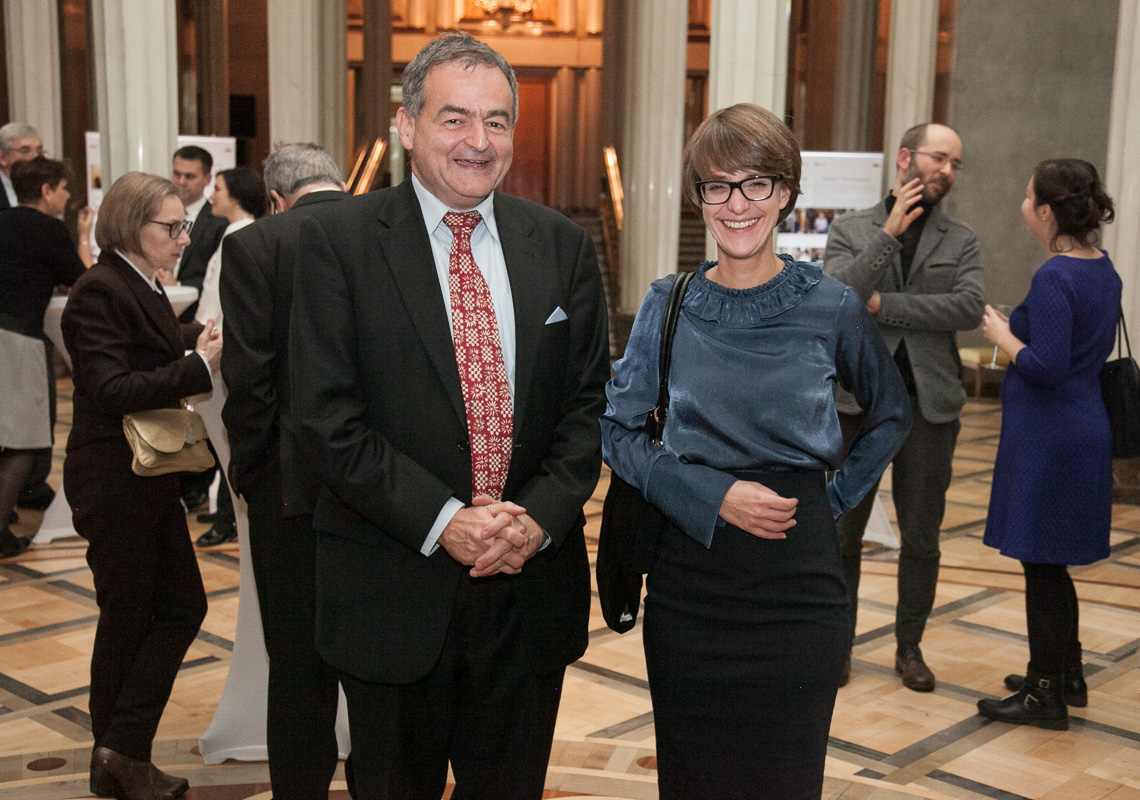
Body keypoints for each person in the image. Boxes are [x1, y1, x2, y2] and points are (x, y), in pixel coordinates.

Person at [290, 32, 609, 799]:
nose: (479, 141)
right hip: (393, 592)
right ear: (407, 126)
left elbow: (587, 408)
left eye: (497, 121)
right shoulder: (336, 243)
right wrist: (445, 520)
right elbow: (326, 419)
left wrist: (536, 522)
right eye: (455, 118)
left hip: (528, 595)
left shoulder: (561, 245)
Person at [602, 103, 911, 799]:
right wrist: (710, 494)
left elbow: (892, 413)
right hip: (690, 582)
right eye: (718, 185)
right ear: (699, 197)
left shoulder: (831, 306)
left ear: (786, 192)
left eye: (756, 183)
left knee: (785, 779)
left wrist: (831, 500)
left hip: (796, 588)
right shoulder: (667, 304)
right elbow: (616, 431)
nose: (737, 204)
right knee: (694, 778)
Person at [61, 171, 222, 800]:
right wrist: (196, 365)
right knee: (135, 616)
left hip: (142, 478)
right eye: (172, 226)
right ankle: (120, 756)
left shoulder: (137, 281)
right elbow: (112, 388)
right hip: (113, 478)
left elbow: (148, 345)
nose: (184, 238)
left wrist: (196, 339)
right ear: (132, 225)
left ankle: (120, 753)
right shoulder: (99, 289)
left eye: (185, 225)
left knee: (167, 608)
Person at [824, 122, 985, 690]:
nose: (947, 170)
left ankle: (909, 648)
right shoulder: (851, 229)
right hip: (855, 408)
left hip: (928, 409)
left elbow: (968, 307)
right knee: (842, 535)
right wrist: (888, 234)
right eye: (939, 158)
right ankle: (837, 648)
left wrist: (884, 305)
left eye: (955, 163)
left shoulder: (960, 239)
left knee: (921, 538)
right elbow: (838, 295)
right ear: (904, 158)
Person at [219, 143, 348, 800]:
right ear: (339, 180)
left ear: (274, 198)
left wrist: (249, 478)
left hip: (289, 489)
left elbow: (249, 379)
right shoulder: (392, 229)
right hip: (392, 493)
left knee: (298, 666)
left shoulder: (254, 245)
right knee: (385, 665)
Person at [976, 159, 1118, 731]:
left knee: (1041, 566)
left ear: (1046, 210)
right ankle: (1065, 674)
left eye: (1027, 195)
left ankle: (1043, 694)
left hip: (1051, 437)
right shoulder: (1101, 267)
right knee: (1052, 564)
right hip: (1079, 429)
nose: (1022, 204)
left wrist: (1003, 335)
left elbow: (1047, 366)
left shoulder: (1055, 275)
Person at [0, 156, 93, 557]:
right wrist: (84, 235)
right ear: (45, 190)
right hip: (16, 337)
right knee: (25, 441)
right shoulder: (48, 229)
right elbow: (84, 282)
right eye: (64, 189)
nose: (68, 197)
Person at [190, 166, 267, 548]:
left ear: (236, 194)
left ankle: (226, 518)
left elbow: (219, 297)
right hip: (223, 339)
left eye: (217, 188)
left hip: (223, 344)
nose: (211, 195)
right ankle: (224, 512)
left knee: (227, 434)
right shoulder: (239, 231)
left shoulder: (240, 234)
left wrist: (204, 334)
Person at [168, 145, 226, 324]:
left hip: (197, 317)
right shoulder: (161, 214)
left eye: (189, 176)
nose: (181, 181)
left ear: (207, 179)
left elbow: (220, 277)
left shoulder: (219, 221)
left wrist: (177, 286)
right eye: (177, 174)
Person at [0, 122, 43, 210]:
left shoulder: (46, 186)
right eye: (25, 151)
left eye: (39, 150)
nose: (35, 156)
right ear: (3, 158)